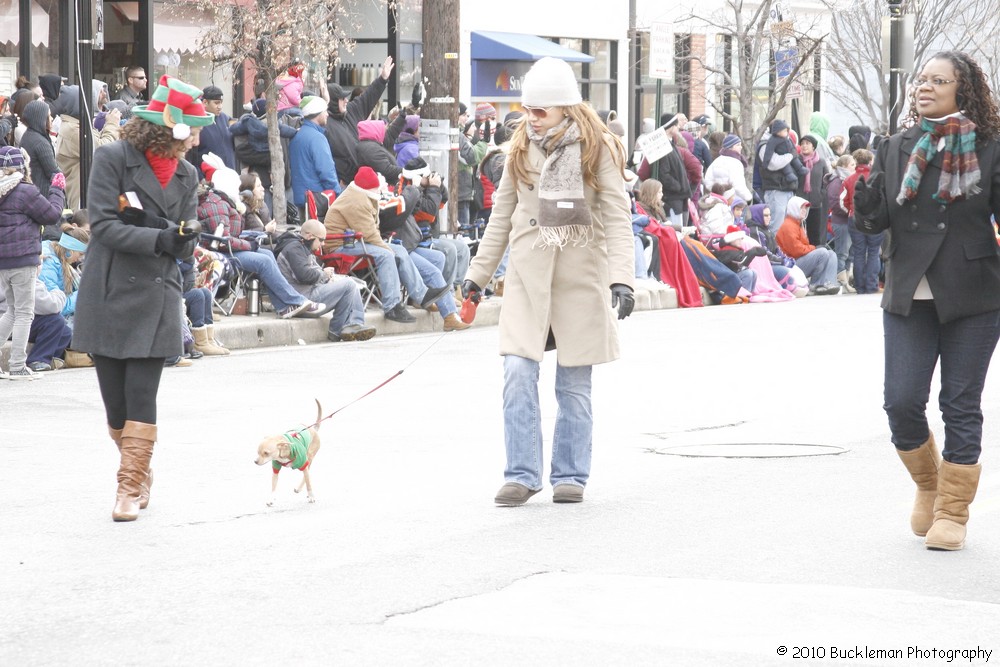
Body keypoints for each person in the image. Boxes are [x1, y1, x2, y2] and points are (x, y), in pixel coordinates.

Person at [462, 57, 635, 506]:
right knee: (517, 371)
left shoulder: (599, 148)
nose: (531, 118)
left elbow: (617, 217)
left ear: (566, 108)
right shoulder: (518, 148)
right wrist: (476, 276)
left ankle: (570, 475)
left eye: (540, 110)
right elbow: (501, 216)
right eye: (527, 109)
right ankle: (521, 473)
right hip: (528, 276)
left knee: (573, 384)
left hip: (580, 278)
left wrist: (622, 278)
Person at [852, 51, 1000, 551]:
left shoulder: (989, 146)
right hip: (909, 291)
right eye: (923, 79)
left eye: (939, 81)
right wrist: (866, 205)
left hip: (974, 292)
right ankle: (928, 484)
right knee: (901, 401)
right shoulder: (895, 146)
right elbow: (873, 225)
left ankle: (953, 513)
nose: (926, 87)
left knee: (960, 403)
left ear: (963, 89)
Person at [72, 75, 215, 522]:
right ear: (167, 129)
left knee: (141, 394)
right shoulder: (113, 158)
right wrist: (162, 237)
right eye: (192, 129)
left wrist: (182, 238)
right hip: (109, 286)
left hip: (157, 293)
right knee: (116, 407)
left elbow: (186, 239)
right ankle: (139, 466)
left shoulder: (189, 174)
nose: (195, 139)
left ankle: (128, 487)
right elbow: (105, 226)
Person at [0, 145, 66, 380]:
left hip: (3, 262)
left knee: (12, 310)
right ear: (21, 167)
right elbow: (51, 215)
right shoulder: (24, 190)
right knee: (25, 313)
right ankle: (17, 364)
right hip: (23, 259)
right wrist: (57, 190)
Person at [274, 218, 377, 342]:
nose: (322, 244)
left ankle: (340, 330)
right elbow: (304, 276)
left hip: (308, 294)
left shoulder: (302, 248)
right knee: (349, 285)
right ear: (310, 236)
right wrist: (323, 274)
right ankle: (352, 324)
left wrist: (329, 278)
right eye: (321, 240)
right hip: (302, 300)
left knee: (348, 282)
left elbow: (311, 274)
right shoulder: (293, 249)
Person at [775, 196, 841, 295]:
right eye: (801, 208)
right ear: (794, 208)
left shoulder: (798, 224)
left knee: (831, 253)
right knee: (822, 252)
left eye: (805, 208)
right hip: (791, 265)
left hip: (798, 261)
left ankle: (829, 283)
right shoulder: (788, 226)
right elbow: (796, 251)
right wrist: (814, 248)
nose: (804, 211)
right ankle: (815, 285)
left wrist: (813, 249)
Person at [289, 96, 342, 213]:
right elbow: (326, 171)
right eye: (325, 111)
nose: (327, 114)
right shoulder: (317, 138)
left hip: (303, 198)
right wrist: (338, 194)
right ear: (317, 113)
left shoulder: (298, 136)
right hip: (318, 200)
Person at [844, 148, 881, 294]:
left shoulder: (849, 179)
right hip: (874, 218)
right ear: (870, 161)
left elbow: (845, 201)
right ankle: (871, 285)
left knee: (859, 252)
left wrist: (851, 209)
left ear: (856, 161)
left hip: (855, 217)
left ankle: (859, 286)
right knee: (873, 251)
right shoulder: (877, 177)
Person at [825, 153, 856, 292]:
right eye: (852, 165)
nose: (855, 168)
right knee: (842, 253)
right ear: (844, 166)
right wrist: (849, 212)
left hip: (848, 221)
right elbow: (835, 203)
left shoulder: (848, 179)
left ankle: (847, 280)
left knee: (850, 253)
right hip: (841, 221)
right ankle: (840, 281)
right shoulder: (836, 181)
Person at [19, 99, 60, 199]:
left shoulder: (27, 136)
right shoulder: (40, 142)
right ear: (41, 119)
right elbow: (53, 171)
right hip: (44, 195)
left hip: (31, 192)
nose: (51, 118)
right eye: (48, 116)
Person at [189, 85, 235, 170]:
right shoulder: (197, 122)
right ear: (205, 102)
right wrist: (201, 178)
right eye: (216, 103)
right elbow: (191, 157)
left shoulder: (225, 119)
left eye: (221, 102)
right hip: (209, 179)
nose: (220, 106)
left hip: (230, 176)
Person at [796, 134, 831, 245]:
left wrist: (821, 194)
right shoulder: (797, 161)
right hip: (799, 204)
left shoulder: (821, 162)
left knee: (814, 235)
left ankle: (814, 257)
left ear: (813, 147)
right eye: (802, 143)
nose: (804, 146)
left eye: (807, 143)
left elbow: (826, 180)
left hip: (816, 204)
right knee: (799, 233)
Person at [703, 134, 752, 203]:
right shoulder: (735, 163)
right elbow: (738, 185)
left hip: (717, 199)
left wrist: (717, 192)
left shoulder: (717, 161)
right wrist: (748, 198)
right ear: (730, 147)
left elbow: (708, 180)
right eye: (738, 145)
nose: (741, 147)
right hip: (733, 200)